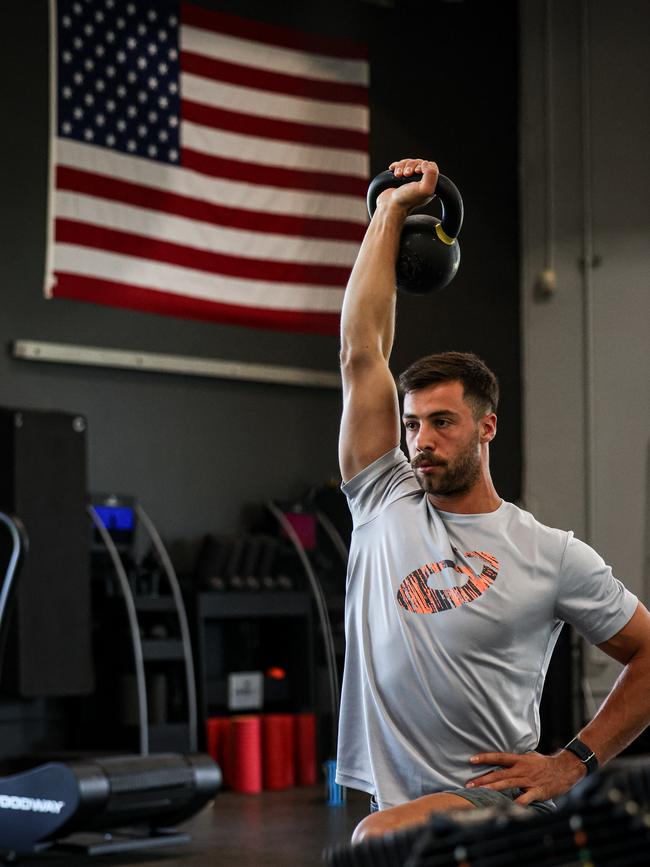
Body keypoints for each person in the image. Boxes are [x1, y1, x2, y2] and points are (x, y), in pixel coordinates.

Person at [336, 157, 650, 842]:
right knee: (382, 835)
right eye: (413, 423)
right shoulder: (381, 499)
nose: (421, 440)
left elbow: (648, 652)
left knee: (374, 841)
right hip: (406, 807)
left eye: (442, 422)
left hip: (500, 809)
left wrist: (572, 761)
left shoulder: (548, 552)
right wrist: (389, 210)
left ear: (486, 427)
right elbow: (363, 351)